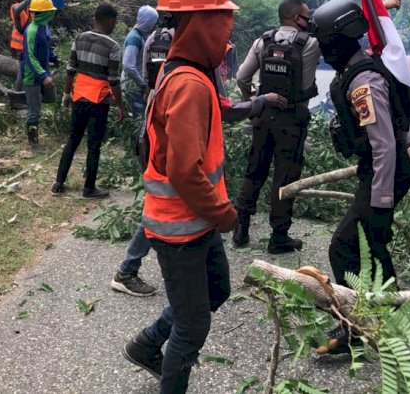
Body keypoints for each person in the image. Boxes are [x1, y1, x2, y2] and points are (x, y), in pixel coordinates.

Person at [121, 0, 239, 393]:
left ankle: (146, 344)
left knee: (217, 290)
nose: (228, 35)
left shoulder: (183, 73)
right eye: (224, 22)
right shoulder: (188, 83)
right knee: (192, 327)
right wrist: (225, 214)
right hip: (180, 228)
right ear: (201, 24)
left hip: (194, 223)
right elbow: (185, 171)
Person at [111, 28, 285, 297]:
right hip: (171, 152)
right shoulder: (193, 75)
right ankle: (130, 270)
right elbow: (224, 109)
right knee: (163, 212)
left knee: (159, 209)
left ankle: (132, 269)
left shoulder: (173, 58)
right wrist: (260, 101)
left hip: (158, 148)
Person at [308, 0, 410, 353]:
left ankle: (353, 328)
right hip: (381, 170)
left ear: (338, 43)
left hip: (386, 173)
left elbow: (383, 144)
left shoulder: (363, 82)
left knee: (343, 246)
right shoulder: (356, 67)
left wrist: (380, 201)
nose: (323, 51)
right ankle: (395, 316)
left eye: (325, 44)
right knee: (372, 243)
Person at [233, 0, 320, 253]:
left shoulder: (263, 41)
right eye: (306, 16)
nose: (309, 21)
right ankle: (278, 236)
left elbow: (241, 77)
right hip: (292, 119)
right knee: (285, 176)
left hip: (264, 116)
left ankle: (241, 229)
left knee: (255, 169)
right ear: (296, 18)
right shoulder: (310, 43)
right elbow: (305, 87)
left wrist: (251, 101)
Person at [51, 4, 126, 199]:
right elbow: (114, 80)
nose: (114, 25)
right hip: (99, 100)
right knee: (94, 144)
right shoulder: (113, 46)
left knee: (73, 139)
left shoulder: (79, 38)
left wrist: (66, 94)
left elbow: (70, 69)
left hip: (79, 95)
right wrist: (119, 105)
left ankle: (58, 183)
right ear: (110, 21)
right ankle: (89, 188)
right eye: (115, 22)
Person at [21, 0, 59, 147]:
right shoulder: (31, 31)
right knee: (34, 111)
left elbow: (47, 47)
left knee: (51, 98)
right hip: (32, 77)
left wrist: (54, 58)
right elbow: (29, 57)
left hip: (44, 73)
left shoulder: (45, 27)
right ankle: (33, 143)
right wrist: (43, 76)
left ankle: (30, 100)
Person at [122, 5, 159, 117]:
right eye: (153, 22)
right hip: (132, 88)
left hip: (136, 86)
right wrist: (143, 85)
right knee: (136, 118)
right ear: (148, 22)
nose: (154, 25)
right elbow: (128, 66)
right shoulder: (134, 38)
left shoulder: (141, 36)